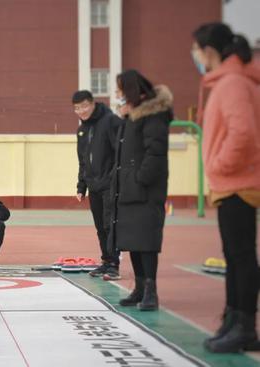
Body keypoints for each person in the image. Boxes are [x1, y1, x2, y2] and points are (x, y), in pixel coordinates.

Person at [192, 22, 260, 353]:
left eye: (196, 49)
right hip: (230, 184)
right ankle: (233, 319)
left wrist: (218, 166)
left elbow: (244, 134)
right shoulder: (227, 82)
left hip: (237, 183)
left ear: (209, 51)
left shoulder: (232, 83)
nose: (194, 56)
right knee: (234, 256)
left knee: (242, 256)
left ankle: (245, 326)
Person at [110, 70, 173, 312]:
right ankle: (138, 287)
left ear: (131, 90)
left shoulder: (153, 114)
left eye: (120, 89)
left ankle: (151, 291)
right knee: (133, 241)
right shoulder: (131, 116)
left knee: (146, 243)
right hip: (128, 190)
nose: (117, 94)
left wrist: (138, 180)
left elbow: (155, 153)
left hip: (145, 192)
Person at [73, 90, 123, 280]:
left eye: (84, 106)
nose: (81, 111)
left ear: (93, 104)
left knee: (110, 224)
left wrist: (115, 178)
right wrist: (81, 185)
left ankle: (114, 264)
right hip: (93, 185)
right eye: (77, 108)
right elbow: (83, 160)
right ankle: (106, 261)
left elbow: (120, 151)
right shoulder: (82, 130)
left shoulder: (110, 121)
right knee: (100, 226)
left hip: (110, 184)